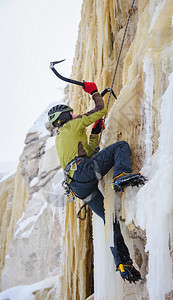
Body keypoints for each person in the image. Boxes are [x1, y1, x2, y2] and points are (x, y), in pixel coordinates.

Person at [48, 82, 144, 283]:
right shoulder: (72, 125)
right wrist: (93, 92)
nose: (75, 116)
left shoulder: (61, 138)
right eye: (71, 114)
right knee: (121, 146)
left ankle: (123, 263)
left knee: (111, 220)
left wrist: (95, 133)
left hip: (79, 187)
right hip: (84, 172)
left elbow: (89, 153)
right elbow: (101, 110)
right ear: (64, 118)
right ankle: (121, 176)